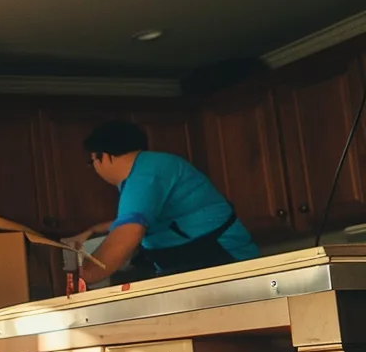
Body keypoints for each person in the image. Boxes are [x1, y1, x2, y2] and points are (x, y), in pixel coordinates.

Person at [63, 120, 260, 288]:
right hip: (204, 269)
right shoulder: (152, 168)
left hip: (228, 268)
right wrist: (93, 230)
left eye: (92, 162)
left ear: (104, 156)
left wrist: (81, 277)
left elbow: (128, 233)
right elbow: (135, 221)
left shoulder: (144, 175)